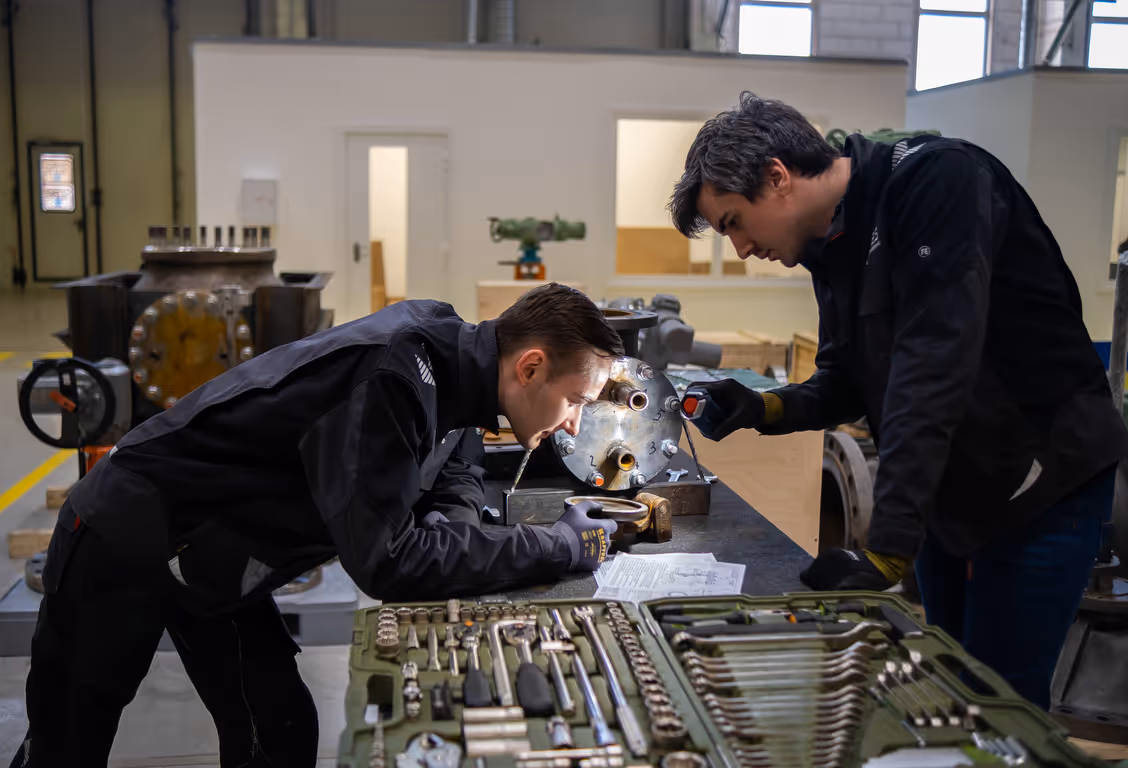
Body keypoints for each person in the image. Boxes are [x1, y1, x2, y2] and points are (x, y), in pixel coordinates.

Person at [13, 283, 622, 768]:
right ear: (530, 367)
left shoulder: (460, 367)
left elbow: (456, 466)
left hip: (215, 556)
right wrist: (557, 544)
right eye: (576, 401)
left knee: (280, 733)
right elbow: (388, 562)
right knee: (68, 740)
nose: (574, 424)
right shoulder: (395, 376)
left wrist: (453, 527)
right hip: (126, 531)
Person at [669, 92, 1128, 708]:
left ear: (776, 177)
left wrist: (886, 548)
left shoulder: (941, 181)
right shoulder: (830, 246)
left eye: (733, 223)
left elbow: (931, 366)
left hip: (1039, 483)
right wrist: (763, 409)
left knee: (1003, 701)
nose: (742, 249)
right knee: (950, 686)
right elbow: (845, 379)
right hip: (952, 490)